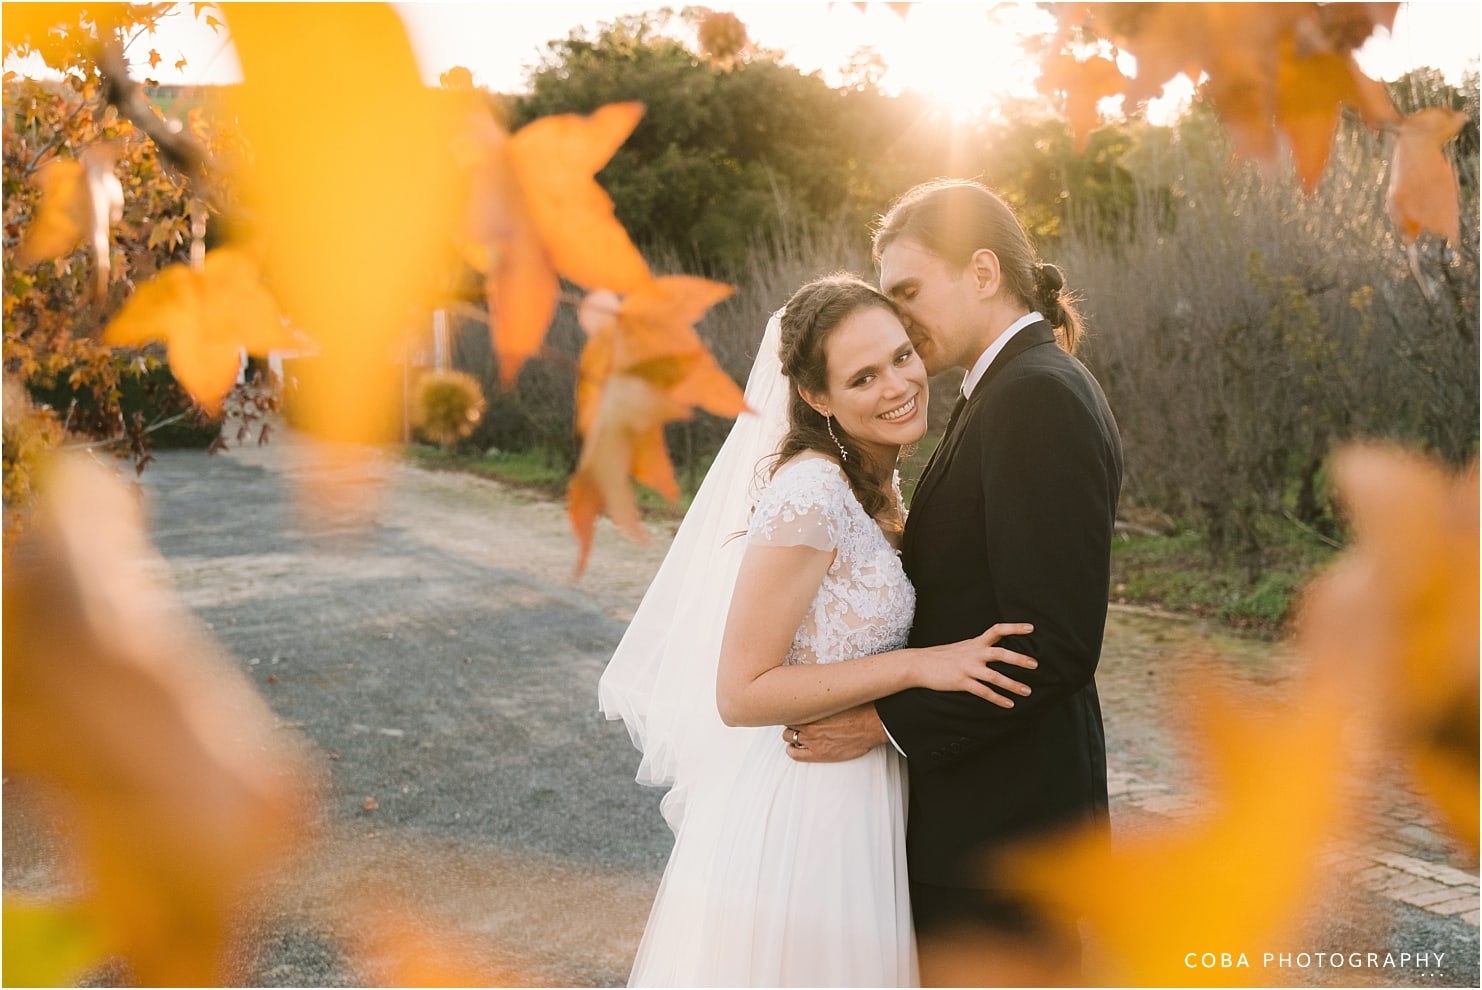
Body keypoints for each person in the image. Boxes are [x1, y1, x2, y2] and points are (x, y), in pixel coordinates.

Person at [599, 273, 1040, 987]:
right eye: (862, 376)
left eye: (902, 356)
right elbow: (740, 692)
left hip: (864, 795)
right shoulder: (811, 491)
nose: (899, 385)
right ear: (816, 396)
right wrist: (919, 667)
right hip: (810, 811)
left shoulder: (871, 481)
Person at [784, 180, 1124, 969]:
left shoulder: (1037, 397)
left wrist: (883, 725)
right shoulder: (1001, 390)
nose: (898, 320)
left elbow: (1055, 646)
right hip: (989, 828)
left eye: (907, 293)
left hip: (1006, 844)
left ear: (980, 272)